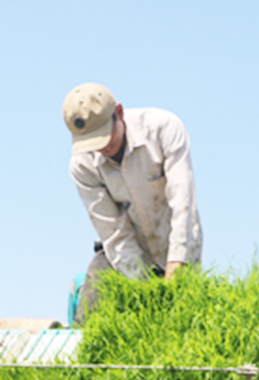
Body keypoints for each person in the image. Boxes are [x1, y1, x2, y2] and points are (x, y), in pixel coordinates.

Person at [63, 83, 202, 323]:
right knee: (92, 305)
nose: (103, 147)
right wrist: (145, 289)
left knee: (179, 322)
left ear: (119, 112)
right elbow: (113, 231)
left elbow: (183, 203)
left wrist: (176, 264)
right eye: (92, 142)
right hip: (124, 253)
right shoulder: (82, 166)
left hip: (176, 244)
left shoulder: (163, 128)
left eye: (105, 135)